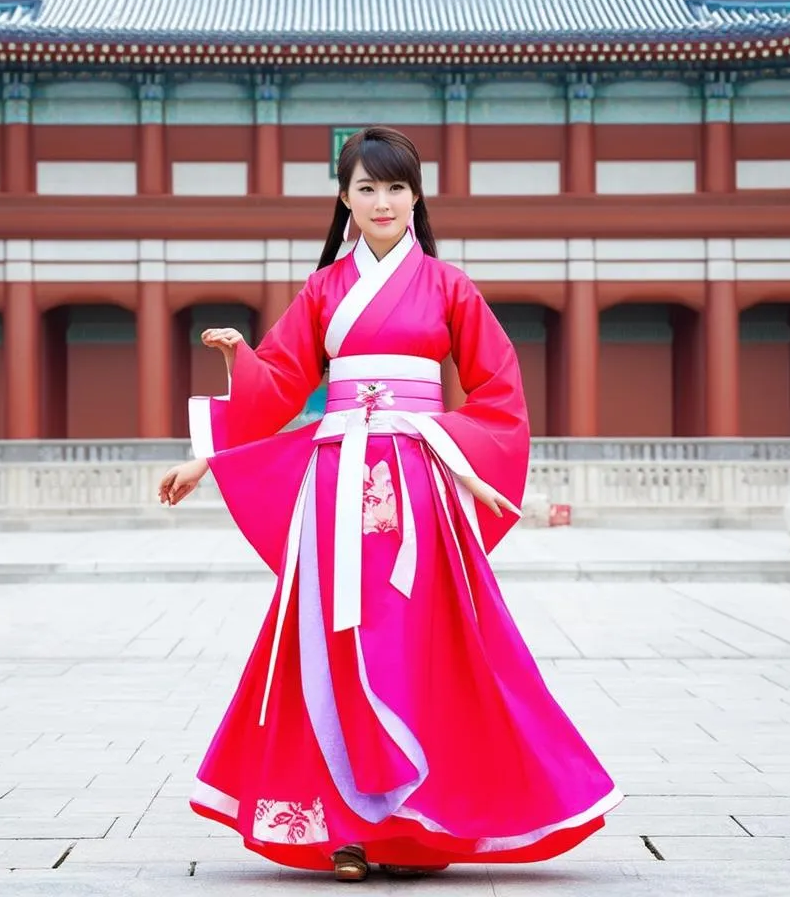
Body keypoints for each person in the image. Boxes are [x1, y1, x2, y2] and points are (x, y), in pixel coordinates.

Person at [158, 126, 620, 882]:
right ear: (343, 199)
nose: (382, 202)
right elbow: (276, 385)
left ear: (416, 199)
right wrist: (218, 417)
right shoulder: (323, 292)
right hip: (336, 487)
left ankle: (416, 827)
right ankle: (346, 828)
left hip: (416, 489)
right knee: (336, 643)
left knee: (419, 646)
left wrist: (433, 434)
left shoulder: (449, 287)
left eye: (396, 188)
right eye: (366, 188)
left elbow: (500, 395)